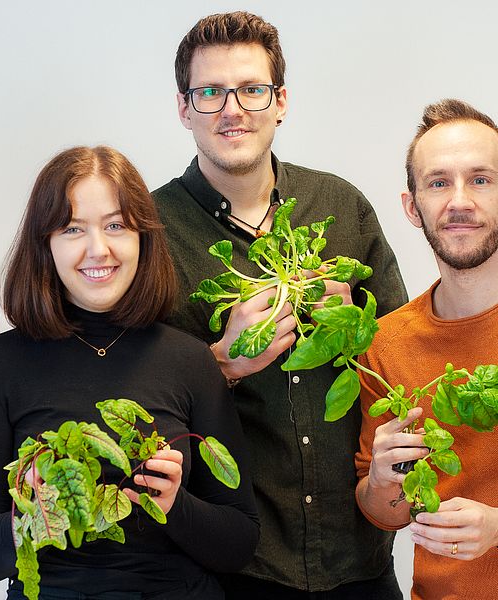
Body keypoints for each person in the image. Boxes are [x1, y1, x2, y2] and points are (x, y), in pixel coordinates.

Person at [152, 11, 407, 599]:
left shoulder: (341, 205)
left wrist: (357, 325)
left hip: (358, 558)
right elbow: (134, 398)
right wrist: (222, 361)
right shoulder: (148, 229)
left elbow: (400, 359)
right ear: (185, 108)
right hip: (232, 565)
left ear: (280, 101)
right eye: (210, 92)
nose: (232, 109)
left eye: (251, 89)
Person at [0, 145, 259, 599]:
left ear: (143, 239)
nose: (99, 249)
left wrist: (174, 504)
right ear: (45, 244)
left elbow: (239, 542)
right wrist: (35, 508)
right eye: (73, 228)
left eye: (116, 226)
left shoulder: (191, 361)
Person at [355, 99, 498, 600]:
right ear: (413, 207)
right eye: (439, 182)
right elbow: (385, 514)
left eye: (481, 179)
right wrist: (380, 480)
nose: (460, 201)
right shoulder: (386, 342)